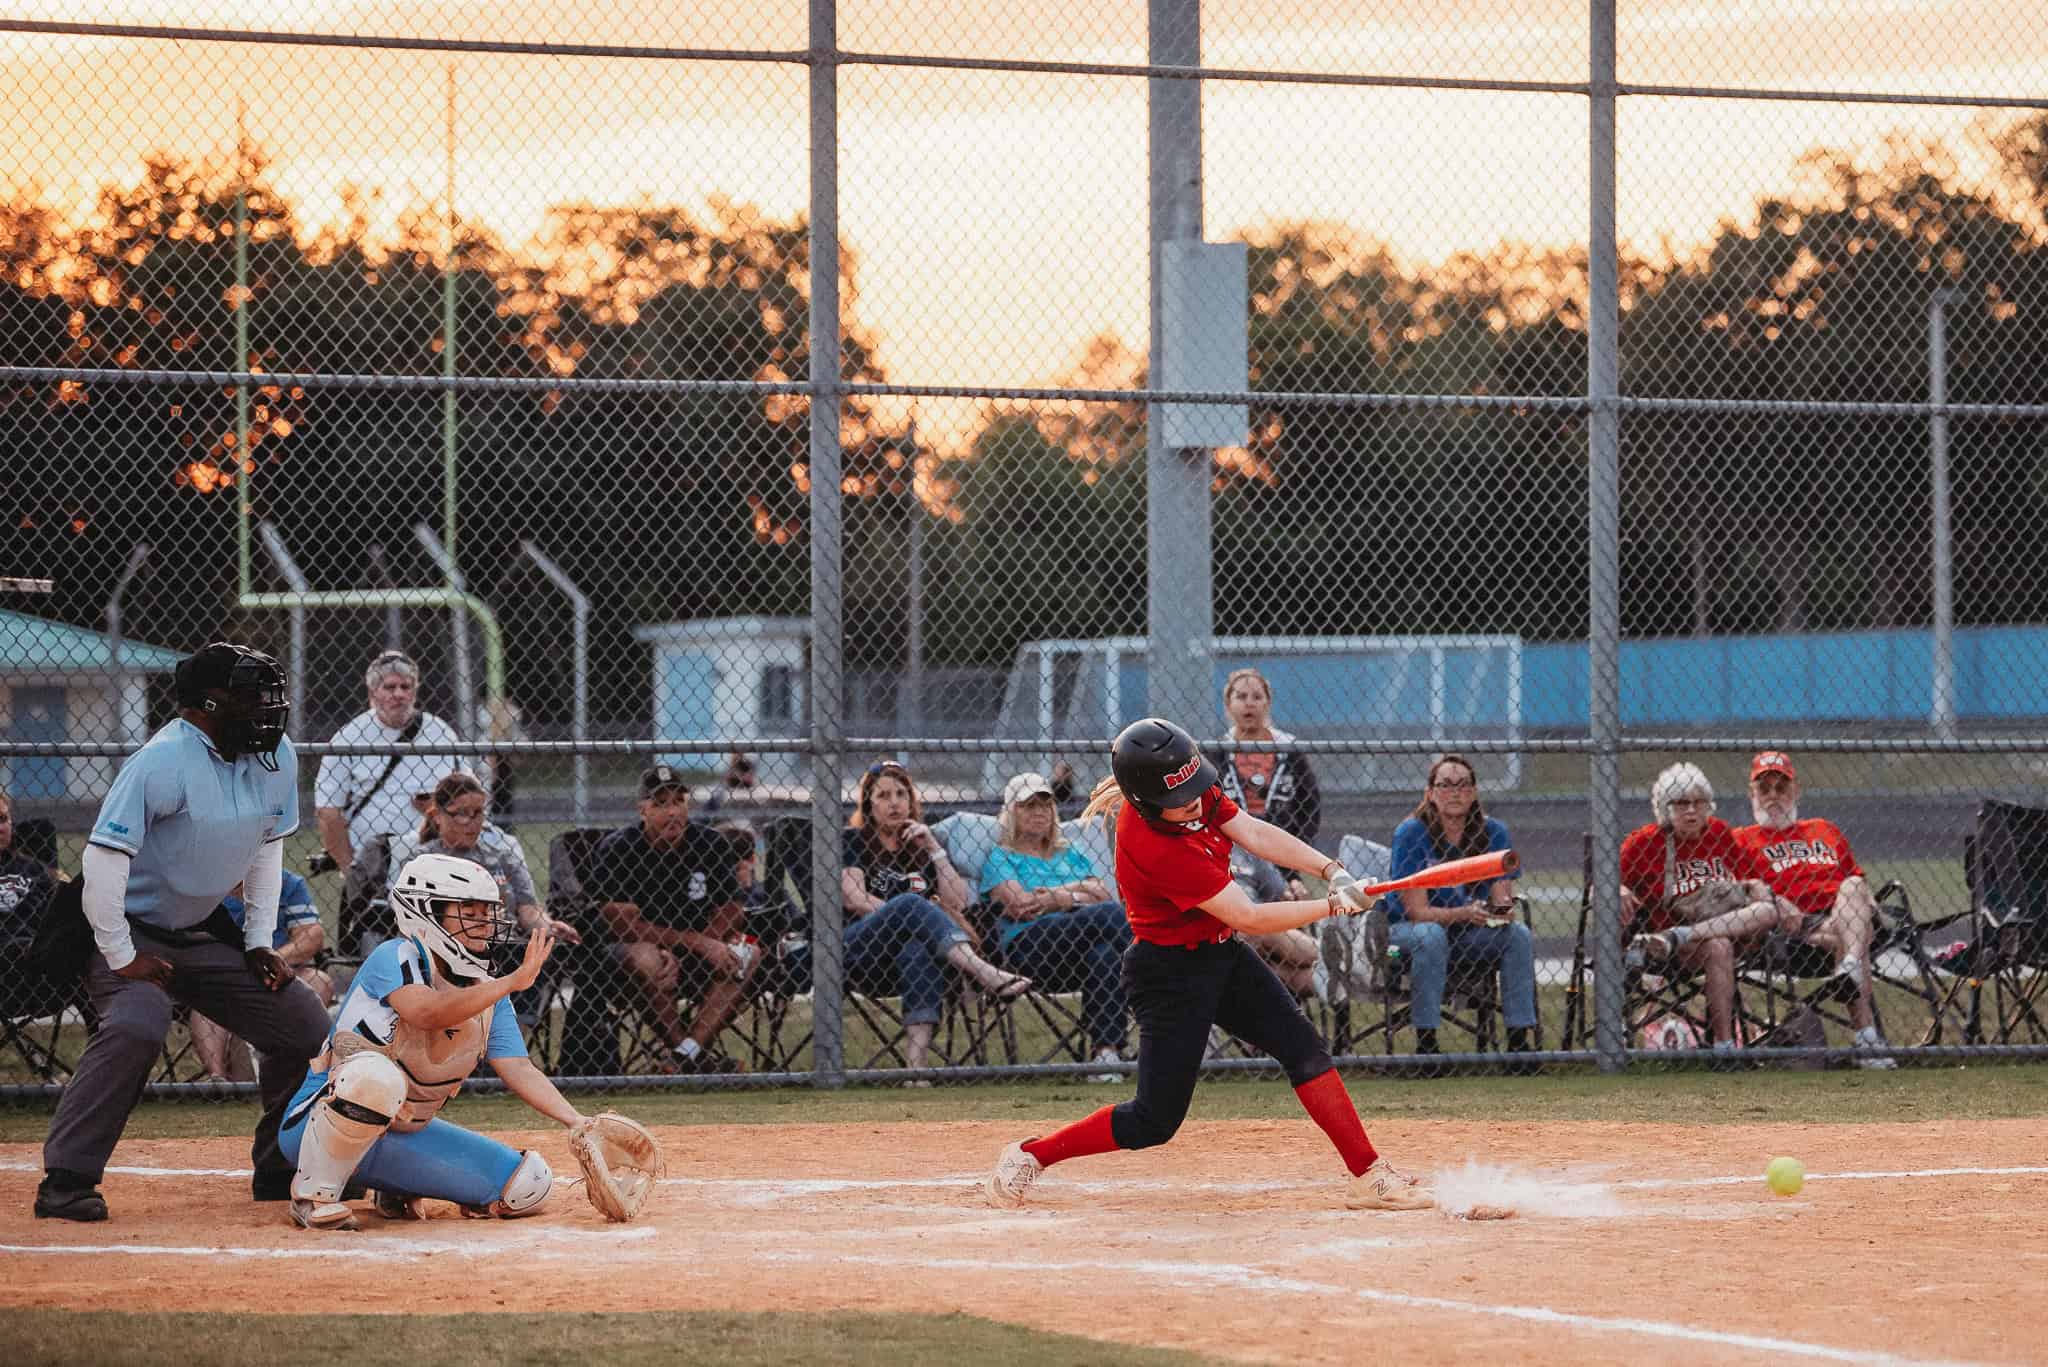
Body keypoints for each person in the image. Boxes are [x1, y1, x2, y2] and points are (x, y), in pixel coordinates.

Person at [986, 718, 1434, 1213]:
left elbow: (1252, 830)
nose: (1198, 801)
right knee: (1154, 1120)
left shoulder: (1188, 787)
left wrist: (1331, 870)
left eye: (1198, 787)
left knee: (1303, 1048)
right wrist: (1333, 906)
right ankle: (1031, 1155)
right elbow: (1249, 915)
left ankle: (1368, 1174)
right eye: (1182, 798)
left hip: (1221, 953)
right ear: (1146, 801)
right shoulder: (1154, 845)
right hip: (1169, 973)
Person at [35, 643, 331, 1222]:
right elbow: (101, 864)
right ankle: (66, 1180)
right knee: (137, 1022)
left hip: (200, 930)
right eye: (252, 696)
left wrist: (256, 941)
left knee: (304, 1026)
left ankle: (281, 1165)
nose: (269, 709)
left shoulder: (274, 754)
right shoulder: (162, 760)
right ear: (207, 705)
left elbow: (267, 849)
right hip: (127, 928)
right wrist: (121, 956)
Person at [279, 852, 582, 1229]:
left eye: (487, 913)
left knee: (528, 1185)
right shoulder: (394, 956)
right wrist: (511, 981)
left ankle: (396, 1186)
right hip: (318, 1126)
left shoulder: (488, 993)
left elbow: (519, 1067)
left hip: (400, 1135)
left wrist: (577, 1122)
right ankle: (313, 1195)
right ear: (426, 913)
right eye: (469, 912)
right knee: (374, 1077)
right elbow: (428, 1012)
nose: (485, 924)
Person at [823, 759, 1031, 1077]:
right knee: (910, 904)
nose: (894, 803)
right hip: (858, 948)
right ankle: (985, 973)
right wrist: (908, 911)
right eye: (883, 796)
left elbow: (957, 901)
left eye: (901, 794)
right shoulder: (852, 840)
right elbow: (856, 899)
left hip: (905, 958)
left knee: (918, 952)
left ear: (911, 800)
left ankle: (915, 1068)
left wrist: (934, 848)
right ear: (868, 803)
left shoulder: (919, 845)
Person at [587, 764, 759, 1074]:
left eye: (678, 801)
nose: (672, 813)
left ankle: (684, 1056)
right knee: (646, 958)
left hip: (700, 952)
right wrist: (696, 943)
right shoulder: (619, 848)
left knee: (749, 952)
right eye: (660, 804)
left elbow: (732, 909)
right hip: (640, 957)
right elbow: (621, 925)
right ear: (642, 810)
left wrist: (705, 946)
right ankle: (694, 1057)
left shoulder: (711, 843)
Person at [1731, 751, 1898, 1069]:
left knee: (1850, 888)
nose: (1773, 796)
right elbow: (1733, 893)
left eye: (1781, 787)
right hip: (1795, 933)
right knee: (1850, 936)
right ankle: (1867, 1040)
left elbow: (1859, 884)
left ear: (1796, 791)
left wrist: (1862, 904)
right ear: (1752, 794)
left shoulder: (1825, 829)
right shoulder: (1740, 840)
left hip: (1844, 914)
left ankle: (1848, 967)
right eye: (1764, 789)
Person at [1619, 762, 1787, 1068]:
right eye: (1682, 804)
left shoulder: (1721, 833)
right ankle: (1724, 1047)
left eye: (1699, 803)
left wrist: (1757, 886)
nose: (1692, 812)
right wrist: (1616, 889)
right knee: (1718, 944)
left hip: (1733, 932)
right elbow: (1598, 888)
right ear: (1663, 807)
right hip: (1676, 950)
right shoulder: (1643, 842)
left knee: (1766, 908)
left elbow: (1750, 880)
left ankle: (1687, 936)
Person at [1377, 755, 1539, 1072]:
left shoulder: (1493, 832)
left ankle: (1519, 1045)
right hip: (1405, 936)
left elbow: (1502, 900)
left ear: (1475, 792)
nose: (1455, 792)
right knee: (1431, 935)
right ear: (1430, 793)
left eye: (1463, 784)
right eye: (1445, 785)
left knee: (1516, 936)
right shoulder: (1411, 833)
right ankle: (1427, 1047)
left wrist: (1500, 912)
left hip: (1468, 934)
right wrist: (1464, 912)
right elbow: (1417, 911)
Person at [978, 771, 1131, 1080]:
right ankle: (1150, 964)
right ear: (1010, 813)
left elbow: (1102, 892)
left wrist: (1057, 898)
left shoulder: (1068, 852)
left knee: (1104, 954)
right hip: (1030, 949)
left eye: (1045, 805)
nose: (1039, 812)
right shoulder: (1001, 857)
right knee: (1110, 916)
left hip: (1080, 948)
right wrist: (1078, 893)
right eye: (1028, 805)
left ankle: (1105, 1055)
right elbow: (1022, 906)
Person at [1211, 668, 1324, 999]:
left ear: (1268, 703)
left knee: (1265, 921)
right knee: (1250, 928)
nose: (1249, 704)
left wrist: (1292, 871)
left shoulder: (1289, 751)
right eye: (1241, 696)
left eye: (1257, 697)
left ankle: (1270, 999)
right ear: (1228, 704)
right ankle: (1335, 959)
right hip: (1232, 860)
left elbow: (1308, 812)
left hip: (1282, 854)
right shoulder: (1217, 753)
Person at [313, 650, 473, 884]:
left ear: (415, 691)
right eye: (389, 687)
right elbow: (327, 811)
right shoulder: (349, 737)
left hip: (433, 861)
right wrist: (351, 871)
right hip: (373, 865)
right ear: (373, 692)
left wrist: (436, 808)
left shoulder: (439, 732)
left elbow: (470, 796)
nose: (398, 694)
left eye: (405, 687)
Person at [189, 868, 335, 1083]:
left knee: (319, 980)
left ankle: (297, 1066)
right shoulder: (202, 883)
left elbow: (311, 935)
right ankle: (218, 1080)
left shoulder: (288, 882)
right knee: (203, 1005)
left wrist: (272, 959)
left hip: (279, 972)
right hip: (222, 975)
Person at [0, 788, 64, 1031]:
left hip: (44, 975)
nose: (1, 828)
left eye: (3, 819)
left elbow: (59, 913)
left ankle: (101, 1039)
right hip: (4, 970)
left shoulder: (34, 869)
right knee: (19, 947)